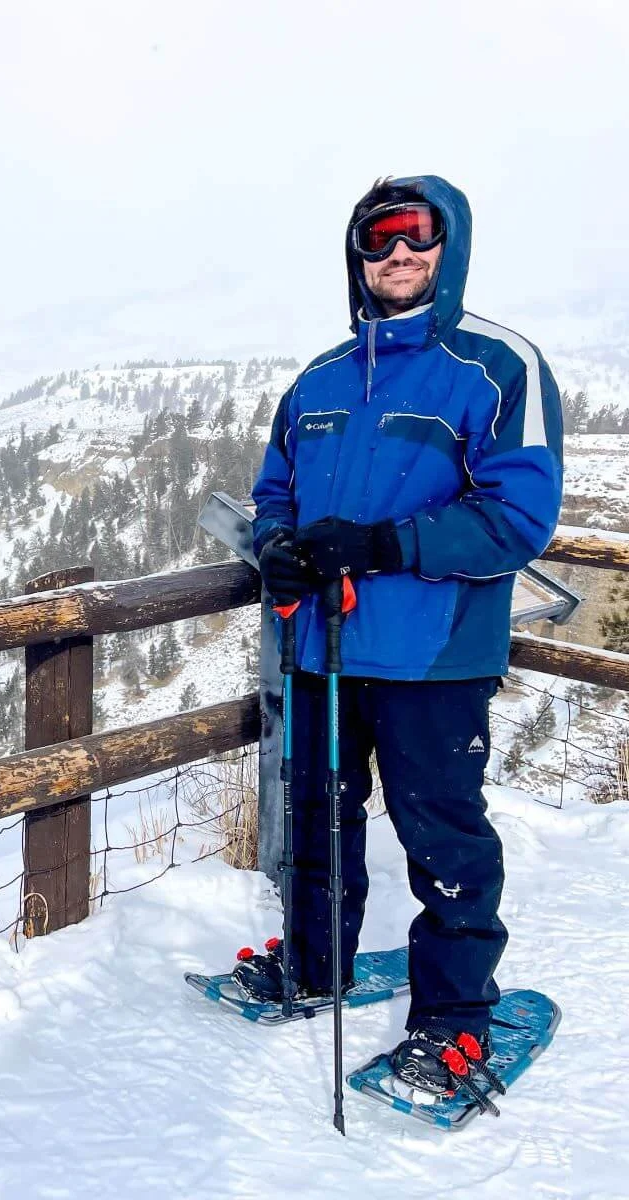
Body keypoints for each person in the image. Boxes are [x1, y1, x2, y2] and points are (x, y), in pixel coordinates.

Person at [232, 175, 564, 1096]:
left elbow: (518, 517)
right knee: (315, 824)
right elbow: (274, 497)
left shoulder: (498, 367)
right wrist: (282, 552)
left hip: (433, 655)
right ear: (357, 257)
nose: (399, 254)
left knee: (443, 840)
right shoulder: (319, 380)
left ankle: (454, 1023)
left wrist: (385, 543)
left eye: (417, 235)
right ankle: (314, 965)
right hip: (322, 651)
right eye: (378, 240)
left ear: (448, 246)